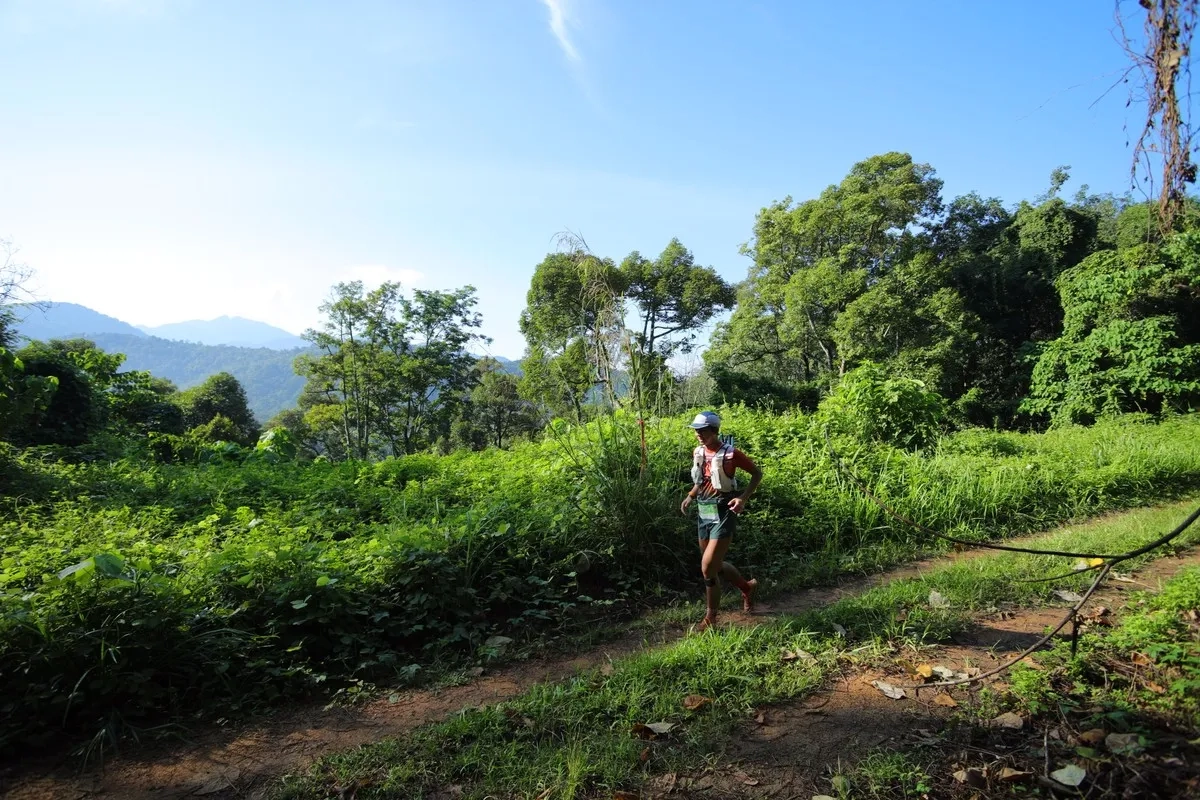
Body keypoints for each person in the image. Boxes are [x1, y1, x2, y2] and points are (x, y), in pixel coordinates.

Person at [680, 410, 762, 632]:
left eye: (703, 431)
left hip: (724, 510)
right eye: (696, 431)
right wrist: (690, 496)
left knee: (707, 567)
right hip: (704, 510)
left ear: (715, 431)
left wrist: (742, 498)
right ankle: (747, 587)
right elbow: (702, 480)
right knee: (714, 565)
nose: (699, 435)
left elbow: (756, 473)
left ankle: (711, 618)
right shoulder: (698, 452)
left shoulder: (730, 454)